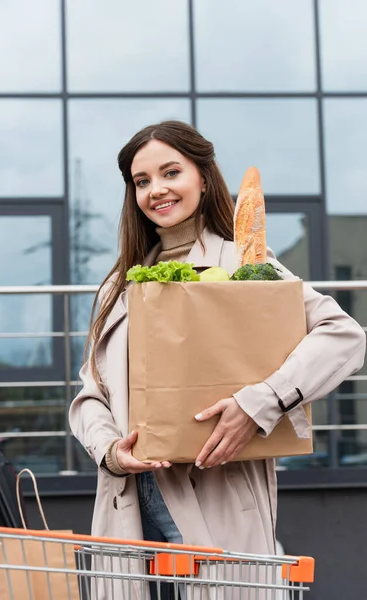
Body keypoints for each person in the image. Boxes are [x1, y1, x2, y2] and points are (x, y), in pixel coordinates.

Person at [69, 120, 366, 599]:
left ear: (203, 178)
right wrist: (110, 450)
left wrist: (260, 403)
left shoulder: (246, 263)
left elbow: (344, 335)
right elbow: (89, 395)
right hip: (130, 505)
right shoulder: (117, 287)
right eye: (141, 181)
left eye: (171, 172)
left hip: (217, 494)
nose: (156, 190)